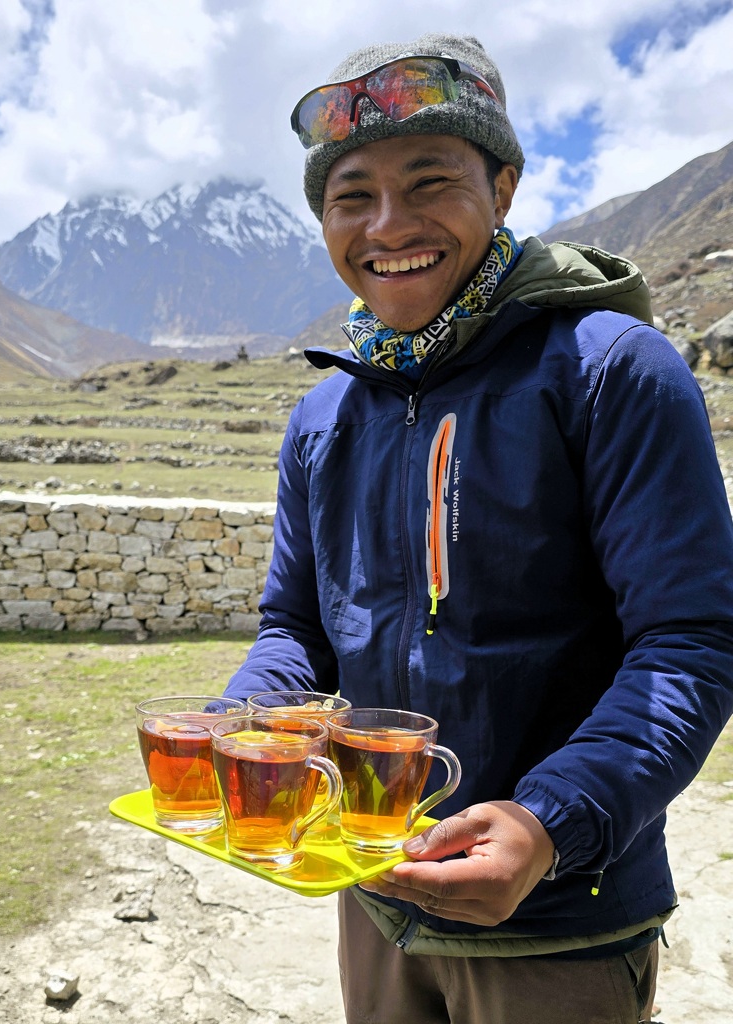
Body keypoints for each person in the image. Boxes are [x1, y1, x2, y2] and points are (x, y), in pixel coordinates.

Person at [215, 31, 733, 1024]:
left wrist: (548, 822)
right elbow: (296, 628)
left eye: (430, 182)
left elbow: (691, 640)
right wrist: (241, 731)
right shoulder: (323, 416)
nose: (388, 223)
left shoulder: (611, 370)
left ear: (502, 188)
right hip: (374, 896)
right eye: (351, 195)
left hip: (559, 925)